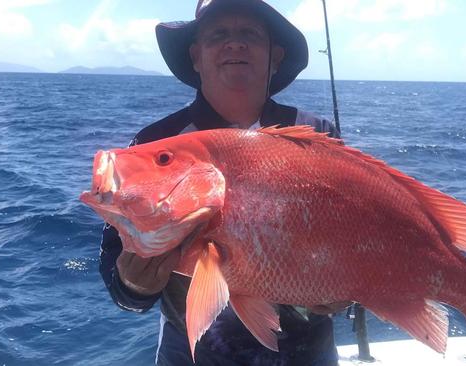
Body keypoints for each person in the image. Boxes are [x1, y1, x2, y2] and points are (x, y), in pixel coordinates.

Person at [98, 0, 346, 364]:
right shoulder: (155, 147)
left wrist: (349, 290)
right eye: (219, 34)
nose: (235, 43)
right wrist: (135, 284)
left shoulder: (317, 135)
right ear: (196, 56)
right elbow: (119, 280)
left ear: (275, 57)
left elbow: (354, 237)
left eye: (250, 33)